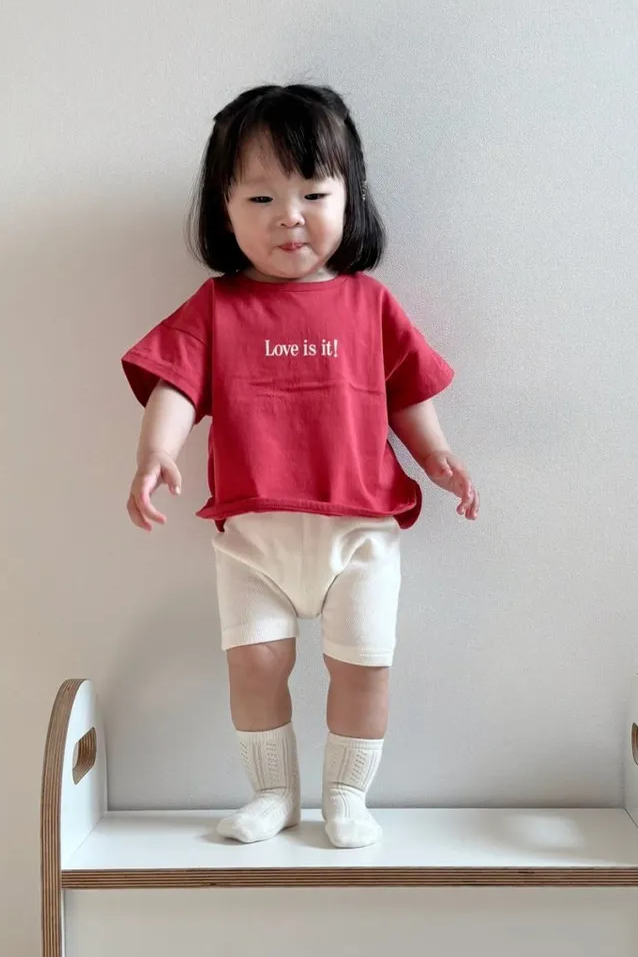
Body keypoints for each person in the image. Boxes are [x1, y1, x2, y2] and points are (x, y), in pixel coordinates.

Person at [121, 83, 478, 849]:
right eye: (261, 197)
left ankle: (346, 796)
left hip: (360, 530)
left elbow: (407, 392)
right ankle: (273, 794)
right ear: (224, 210)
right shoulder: (217, 307)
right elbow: (176, 384)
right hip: (253, 539)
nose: (289, 215)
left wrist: (438, 456)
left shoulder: (369, 303)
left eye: (314, 193)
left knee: (365, 667)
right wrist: (156, 451)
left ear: (351, 198)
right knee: (255, 664)